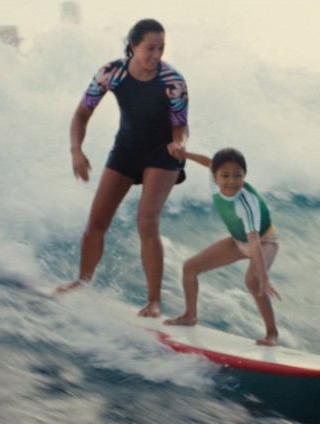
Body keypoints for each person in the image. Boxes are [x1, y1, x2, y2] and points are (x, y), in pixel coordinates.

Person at [56, 19, 189, 318]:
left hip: (163, 154)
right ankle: (82, 282)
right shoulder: (111, 73)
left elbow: (180, 125)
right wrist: (76, 150)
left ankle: (154, 301)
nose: (156, 55)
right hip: (126, 150)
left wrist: (179, 143)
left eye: (161, 48)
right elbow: (80, 116)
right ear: (133, 45)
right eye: (150, 48)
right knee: (96, 224)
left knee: (146, 221)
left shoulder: (173, 81)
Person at [164, 148, 282, 346]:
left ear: (245, 175)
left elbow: (254, 241)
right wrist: (185, 155)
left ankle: (272, 333)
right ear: (215, 175)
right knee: (189, 268)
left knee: (252, 280)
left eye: (238, 175)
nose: (231, 181)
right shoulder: (213, 179)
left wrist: (264, 277)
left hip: (265, 240)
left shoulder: (246, 203)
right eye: (225, 175)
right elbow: (208, 161)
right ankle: (190, 315)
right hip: (238, 240)